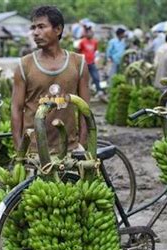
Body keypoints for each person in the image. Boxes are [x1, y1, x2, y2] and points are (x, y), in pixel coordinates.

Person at [11, 5, 90, 153]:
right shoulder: (24, 65)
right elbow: (16, 108)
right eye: (34, 27)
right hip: (34, 151)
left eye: (41, 27)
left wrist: (82, 144)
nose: (35, 33)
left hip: (70, 149)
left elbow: (84, 108)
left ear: (58, 29)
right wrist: (19, 148)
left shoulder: (78, 63)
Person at [78, 26, 106, 101]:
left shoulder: (95, 42)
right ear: (86, 33)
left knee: (96, 77)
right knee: (83, 79)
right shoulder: (82, 42)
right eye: (89, 32)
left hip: (92, 63)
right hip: (84, 63)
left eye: (91, 32)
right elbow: (78, 51)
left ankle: (99, 92)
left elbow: (95, 51)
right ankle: (81, 94)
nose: (90, 33)